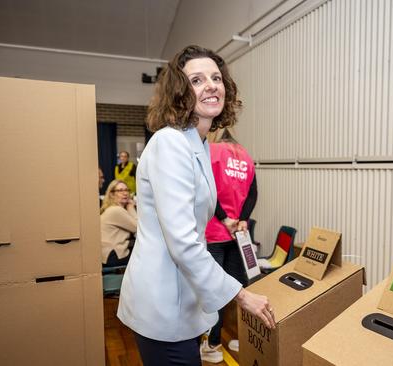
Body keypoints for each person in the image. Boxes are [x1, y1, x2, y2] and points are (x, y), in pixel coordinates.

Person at [117, 45, 276, 366]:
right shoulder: (170, 143)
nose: (211, 85)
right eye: (197, 80)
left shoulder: (199, 143)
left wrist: (229, 222)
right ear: (179, 92)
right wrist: (242, 296)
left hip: (181, 298)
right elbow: (183, 243)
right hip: (162, 302)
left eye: (216, 78)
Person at [202, 128, 257, 360]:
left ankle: (212, 345)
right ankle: (243, 339)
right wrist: (242, 219)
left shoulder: (210, 151)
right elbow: (253, 193)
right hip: (238, 235)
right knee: (239, 287)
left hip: (215, 231)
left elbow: (208, 191)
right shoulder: (245, 156)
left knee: (215, 289)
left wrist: (225, 218)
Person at [100, 180, 137, 267]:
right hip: (114, 255)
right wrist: (131, 207)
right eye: (120, 190)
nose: (125, 193)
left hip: (107, 255)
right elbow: (139, 228)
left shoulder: (111, 209)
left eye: (126, 190)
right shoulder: (116, 210)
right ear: (112, 194)